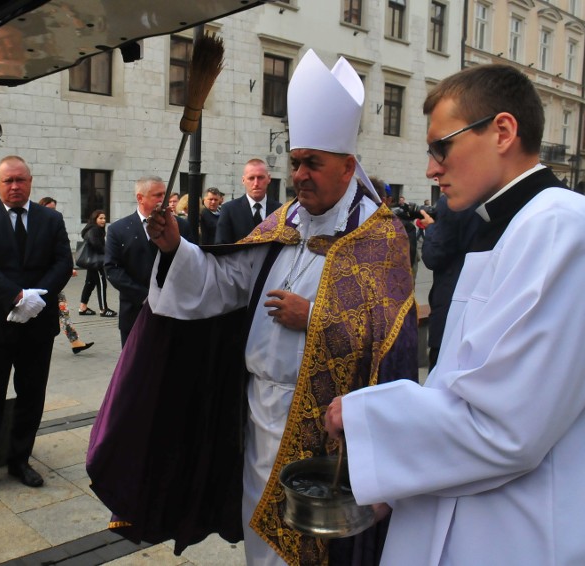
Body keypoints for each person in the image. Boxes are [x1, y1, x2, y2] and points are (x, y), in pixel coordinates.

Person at [89, 51, 418, 564]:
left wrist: (314, 317)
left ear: (349, 165)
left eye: (314, 163)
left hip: (321, 430)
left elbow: (394, 342)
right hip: (255, 411)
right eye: (296, 161)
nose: (301, 174)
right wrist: (177, 247)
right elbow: (226, 280)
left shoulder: (380, 239)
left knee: (312, 549)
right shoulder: (284, 222)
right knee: (260, 539)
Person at [324, 64, 585, 565]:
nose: (432, 168)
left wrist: (370, 421)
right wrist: (395, 474)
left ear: (502, 132)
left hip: (520, 532)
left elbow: (506, 424)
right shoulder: (510, 225)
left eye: (441, 146)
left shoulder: (562, 228)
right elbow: (463, 382)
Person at [0, 156, 72, 503]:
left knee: (31, 397)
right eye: (8, 181)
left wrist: (39, 297)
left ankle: (20, 461)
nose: (15, 186)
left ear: (31, 181)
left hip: (37, 327)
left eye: (20, 180)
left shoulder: (51, 219)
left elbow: (64, 261)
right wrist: (18, 295)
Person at [104, 175, 191, 346]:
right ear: (140, 198)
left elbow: (192, 263)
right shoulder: (118, 230)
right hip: (134, 313)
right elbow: (112, 269)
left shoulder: (181, 226)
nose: (164, 200)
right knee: (135, 369)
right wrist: (145, 297)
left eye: (164, 194)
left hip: (175, 312)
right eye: (158, 195)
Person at [419, 195, 481, 370]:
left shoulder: (454, 201)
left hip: (449, 305)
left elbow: (433, 257)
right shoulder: (490, 198)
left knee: (440, 376)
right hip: (479, 309)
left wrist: (431, 229)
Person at [37, 197, 98, 352]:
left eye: (54, 209)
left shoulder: (53, 226)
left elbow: (60, 251)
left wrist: (65, 268)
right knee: (52, 311)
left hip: (53, 279)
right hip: (40, 280)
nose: (53, 212)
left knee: (62, 310)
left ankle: (75, 341)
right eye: (49, 209)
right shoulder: (36, 227)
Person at [215, 158, 281, 244]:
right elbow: (221, 247)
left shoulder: (280, 210)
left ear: (269, 179)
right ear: (243, 180)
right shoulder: (229, 210)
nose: (256, 183)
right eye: (251, 178)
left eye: (260, 177)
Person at [78, 209, 116, 318]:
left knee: (89, 283)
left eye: (104, 218)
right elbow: (96, 245)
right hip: (97, 262)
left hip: (92, 261)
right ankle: (103, 309)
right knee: (102, 283)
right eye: (100, 218)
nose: (103, 220)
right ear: (95, 219)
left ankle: (83, 307)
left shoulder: (92, 229)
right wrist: (108, 251)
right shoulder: (94, 230)